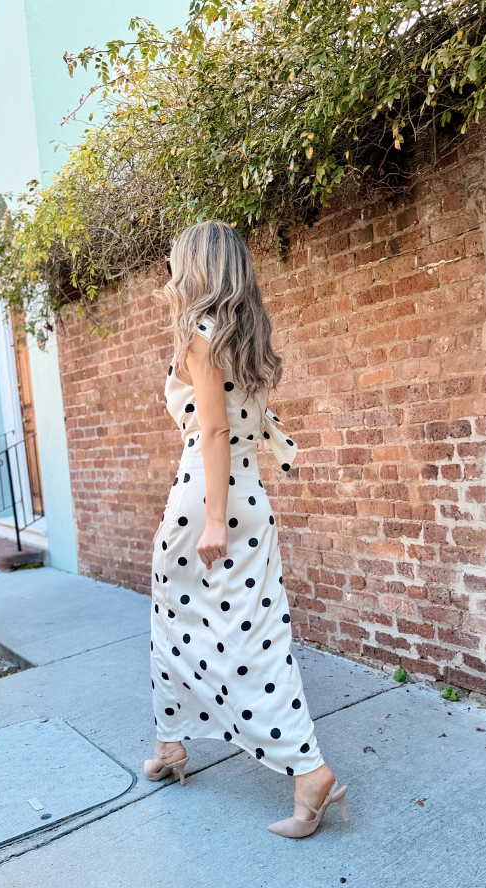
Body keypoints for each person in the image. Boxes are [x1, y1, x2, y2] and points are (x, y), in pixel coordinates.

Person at [144, 220, 348, 838]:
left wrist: (210, 521)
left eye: (179, 264)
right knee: (242, 627)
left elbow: (213, 432)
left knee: (204, 629)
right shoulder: (244, 334)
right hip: (247, 496)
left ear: (198, 269)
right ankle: (173, 742)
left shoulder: (200, 335)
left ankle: (309, 770)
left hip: (210, 497)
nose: (173, 276)